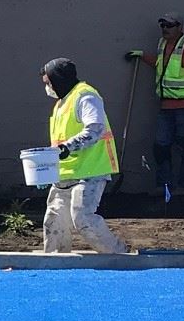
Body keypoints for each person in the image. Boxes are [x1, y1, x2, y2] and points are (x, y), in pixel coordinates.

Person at [40, 58, 128, 256]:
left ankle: (118, 255)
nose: (47, 87)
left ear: (58, 79)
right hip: (66, 173)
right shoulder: (61, 103)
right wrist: (47, 170)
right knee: (54, 220)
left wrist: (67, 147)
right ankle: (55, 263)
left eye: (48, 82)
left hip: (91, 170)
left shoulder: (85, 96)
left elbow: (95, 128)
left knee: (83, 218)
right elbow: (59, 144)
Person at [125, 14, 184, 200]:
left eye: (170, 25)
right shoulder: (163, 44)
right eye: (163, 25)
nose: (165, 28)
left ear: (180, 27)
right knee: (161, 146)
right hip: (167, 106)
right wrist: (142, 56)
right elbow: (162, 66)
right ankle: (164, 185)